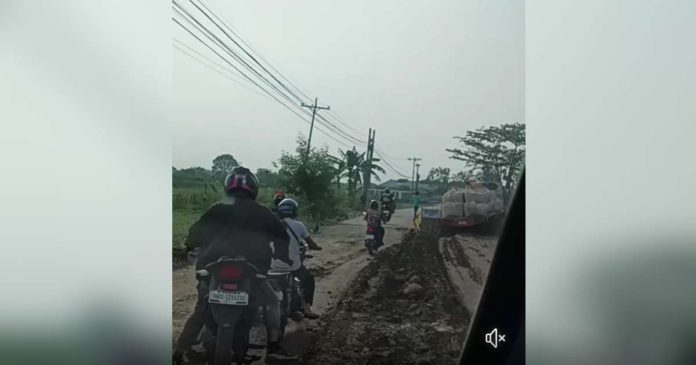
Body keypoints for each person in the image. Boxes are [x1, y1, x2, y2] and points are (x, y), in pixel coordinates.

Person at [173, 167, 297, 364]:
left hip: (212, 266)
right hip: (252, 268)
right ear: (254, 188)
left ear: (228, 186)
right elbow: (281, 237)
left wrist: (188, 247)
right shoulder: (263, 212)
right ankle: (273, 347)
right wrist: (284, 256)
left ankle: (179, 350)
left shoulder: (216, 208)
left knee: (201, 308)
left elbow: (195, 232)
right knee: (271, 303)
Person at [273, 198, 323, 319]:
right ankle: (307, 308)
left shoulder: (272, 224)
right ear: (294, 211)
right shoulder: (299, 226)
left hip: (272, 266)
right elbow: (310, 243)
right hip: (292, 266)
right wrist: (317, 247)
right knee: (309, 280)